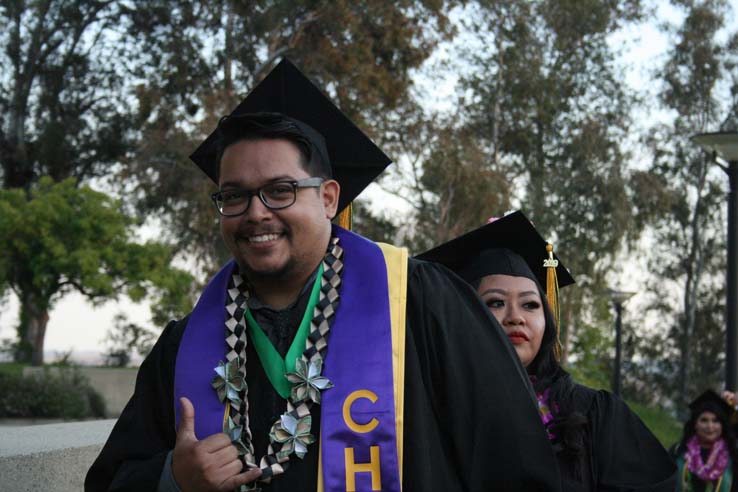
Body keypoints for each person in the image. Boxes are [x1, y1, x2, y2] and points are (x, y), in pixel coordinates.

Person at [85, 60, 562, 492]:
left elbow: (515, 468)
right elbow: (111, 482)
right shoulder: (186, 343)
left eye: (280, 190)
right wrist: (174, 478)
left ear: (329, 198)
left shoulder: (421, 303)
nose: (256, 213)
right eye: (234, 196)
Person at [417, 210, 677, 491]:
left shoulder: (593, 415)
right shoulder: (430, 412)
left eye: (530, 304)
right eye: (494, 303)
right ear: (464, 317)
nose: (516, 317)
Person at [671, 390, 738, 491]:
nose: (710, 426)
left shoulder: (732, 456)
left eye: (715, 421)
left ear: (722, 425)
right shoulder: (678, 452)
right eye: (704, 420)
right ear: (695, 424)